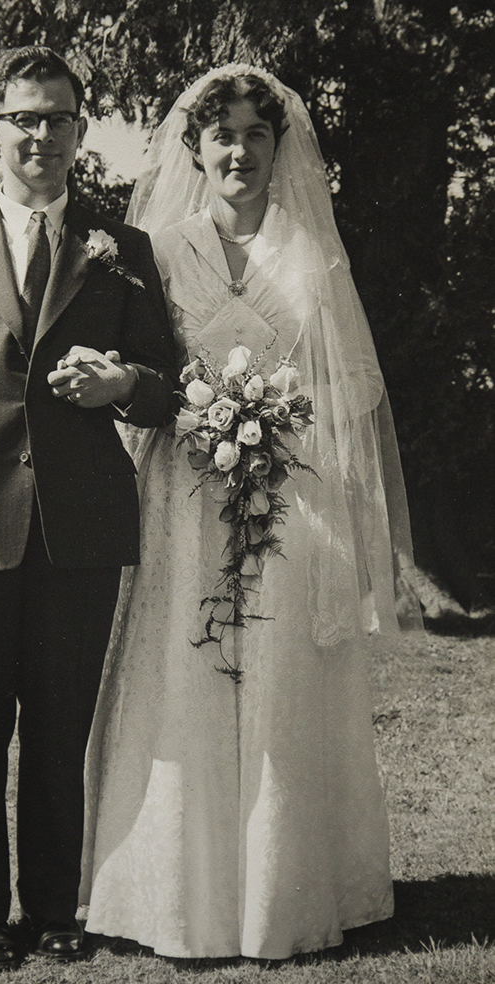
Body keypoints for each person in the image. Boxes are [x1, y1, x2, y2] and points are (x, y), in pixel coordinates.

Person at [80, 65, 423, 959]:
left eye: (256, 135)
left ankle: (284, 886)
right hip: (182, 495)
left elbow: (354, 379)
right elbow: (136, 374)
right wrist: (195, 411)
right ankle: (179, 895)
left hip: (287, 493)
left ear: (281, 148)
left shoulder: (311, 253)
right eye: (222, 134)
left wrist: (277, 414)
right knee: (181, 676)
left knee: (278, 673)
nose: (239, 150)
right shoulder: (156, 250)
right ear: (195, 149)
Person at [0, 45, 178, 970]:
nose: (40, 135)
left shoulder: (121, 251)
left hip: (81, 527)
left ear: (81, 133)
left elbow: (168, 388)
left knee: (61, 729)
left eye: (57, 117)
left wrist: (122, 385)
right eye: (23, 118)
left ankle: (56, 907)